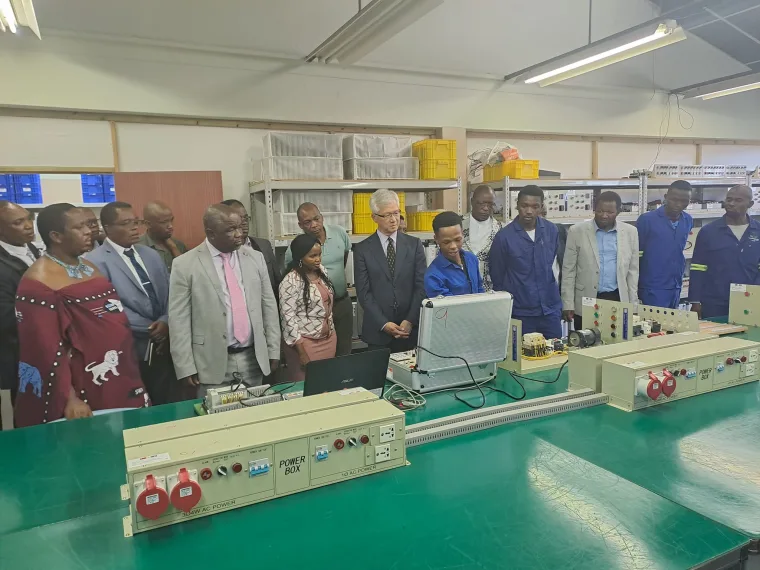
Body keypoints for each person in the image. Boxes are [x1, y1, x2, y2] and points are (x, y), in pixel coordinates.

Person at [14, 203, 149, 427]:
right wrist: (70, 397)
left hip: (121, 372)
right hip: (83, 385)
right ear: (56, 236)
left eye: (88, 225)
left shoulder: (88, 266)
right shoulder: (38, 282)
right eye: (79, 227)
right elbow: (44, 349)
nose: (88, 231)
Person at [169, 204, 281, 398]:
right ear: (211, 233)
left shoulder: (255, 258)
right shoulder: (185, 265)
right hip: (210, 362)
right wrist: (185, 366)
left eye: (239, 226)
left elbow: (268, 306)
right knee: (217, 415)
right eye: (230, 230)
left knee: (255, 412)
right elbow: (179, 320)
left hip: (253, 358)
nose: (239, 234)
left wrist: (273, 349)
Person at [85, 202, 174, 405]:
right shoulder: (95, 261)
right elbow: (108, 307)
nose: (134, 228)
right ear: (107, 228)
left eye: (135, 222)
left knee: (167, 403)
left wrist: (166, 321)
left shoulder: (150, 254)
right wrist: (152, 329)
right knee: (138, 408)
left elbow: (171, 292)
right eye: (126, 223)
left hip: (165, 344)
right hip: (130, 348)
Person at [354, 189, 426, 352]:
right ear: (374, 217)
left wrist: (410, 320)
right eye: (387, 215)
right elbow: (364, 293)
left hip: (410, 331)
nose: (393, 219)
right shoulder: (362, 250)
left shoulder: (414, 245)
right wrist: (384, 323)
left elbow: (421, 286)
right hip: (378, 332)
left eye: (396, 213)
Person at [490, 185, 562, 339]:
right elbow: (497, 277)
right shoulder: (503, 237)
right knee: (524, 353)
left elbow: (553, 264)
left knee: (556, 352)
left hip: (550, 311)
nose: (529, 211)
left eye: (535, 207)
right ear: (517, 205)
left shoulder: (551, 231)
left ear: (541, 207)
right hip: (521, 313)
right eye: (524, 205)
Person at [561, 191, 639, 331]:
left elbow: (633, 272)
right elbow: (568, 270)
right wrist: (568, 303)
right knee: (586, 340)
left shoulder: (630, 232)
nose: (604, 215)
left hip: (617, 297)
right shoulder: (576, 231)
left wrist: (633, 305)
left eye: (610, 212)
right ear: (594, 209)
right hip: (586, 299)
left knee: (616, 340)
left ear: (618, 211)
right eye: (600, 211)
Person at [285, 202, 352, 356]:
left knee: (344, 351)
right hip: (313, 310)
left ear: (322, 217)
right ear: (300, 225)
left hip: (341, 302)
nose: (314, 225)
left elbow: (344, 260)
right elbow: (292, 275)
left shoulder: (340, 233)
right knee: (322, 355)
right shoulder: (294, 249)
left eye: (316, 219)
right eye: (308, 222)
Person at [689, 185, 760, 319]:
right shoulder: (708, 232)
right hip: (714, 302)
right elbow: (698, 267)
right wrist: (695, 301)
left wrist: (756, 292)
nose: (731, 203)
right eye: (729, 199)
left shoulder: (758, 231)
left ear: (750, 204)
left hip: (750, 299)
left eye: (738, 200)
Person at [0, 202, 40, 429]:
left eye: (28, 218)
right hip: (21, 351)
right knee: (28, 417)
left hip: (49, 348)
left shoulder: (35, 250)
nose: (28, 226)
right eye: (18, 222)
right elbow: (6, 315)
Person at [279, 234, 337, 381]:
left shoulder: (322, 271)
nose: (318, 259)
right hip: (304, 344)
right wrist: (301, 352)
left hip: (328, 340)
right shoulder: (290, 281)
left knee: (326, 384)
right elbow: (288, 319)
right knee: (306, 385)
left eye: (319, 254)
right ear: (300, 257)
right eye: (312, 256)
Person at [637, 180, 693, 308]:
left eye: (684, 201)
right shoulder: (647, 220)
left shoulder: (688, 220)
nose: (678, 204)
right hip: (652, 286)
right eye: (674, 199)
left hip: (675, 284)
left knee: (673, 320)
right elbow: (636, 256)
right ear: (666, 197)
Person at [221, 199, 279, 297]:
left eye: (246, 218)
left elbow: (276, 281)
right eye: (239, 219)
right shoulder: (222, 253)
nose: (244, 222)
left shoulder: (264, 246)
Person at [425, 211, 484, 297]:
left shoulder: (472, 259)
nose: (453, 246)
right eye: (446, 242)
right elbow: (448, 305)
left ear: (463, 234)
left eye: (457, 240)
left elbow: (480, 289)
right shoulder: (433, 276)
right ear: (436, 239)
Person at [462, 185, 502, 291]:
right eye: (481, 203)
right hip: (460, 289)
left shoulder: (500, 229)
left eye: (490, 204)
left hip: (489, 290)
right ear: (472, 202)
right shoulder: (458, 224)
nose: (486, 208)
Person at [138, 201, 187, 272]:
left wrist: (174, 249)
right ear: (148, 224)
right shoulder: (137, 247)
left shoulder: (178, 245)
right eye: (163, 222)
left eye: (171, 220)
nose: (170, 226)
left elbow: (187, 273)